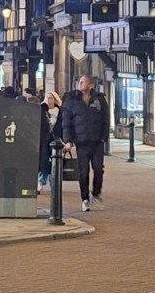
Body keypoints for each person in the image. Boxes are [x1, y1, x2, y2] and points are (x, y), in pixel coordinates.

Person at [61, 74, 109, 212]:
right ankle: (85, 199)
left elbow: (106, 119)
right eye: (79, 82)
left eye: (83, 82)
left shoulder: (99, 100)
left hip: (97, 142)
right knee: (83, 172)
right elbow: (66, 122)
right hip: (81, 142)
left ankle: (96, 194)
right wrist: (68, 140)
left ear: (91, 85)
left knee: (98, 169)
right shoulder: (72, 101)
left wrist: (103, 137)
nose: (80, 84)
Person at [38, 90, 62, 191]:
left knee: (55, 162)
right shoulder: (42, 110)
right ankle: (41, 182)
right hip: (44, 141)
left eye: (51, 97)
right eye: (47, 97)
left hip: (56, 140)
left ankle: (54, 185)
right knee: (43, 161)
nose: (48, 100)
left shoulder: (60, 111)